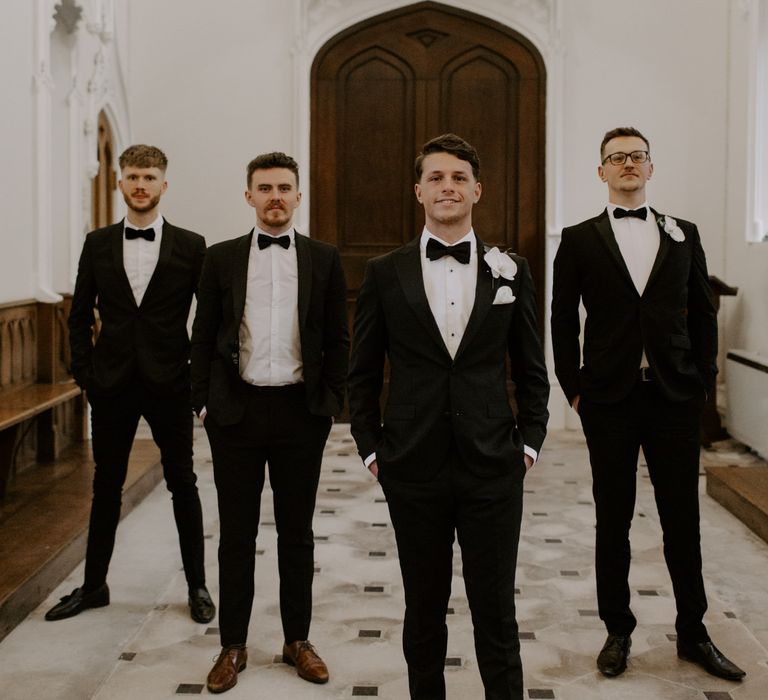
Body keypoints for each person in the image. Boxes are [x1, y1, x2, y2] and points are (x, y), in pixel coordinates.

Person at [348, 133, 549, 700]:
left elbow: (532, 367)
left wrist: (528, 444)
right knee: (424, 612)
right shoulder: (385, 273)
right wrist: (371, 447)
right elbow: (361, 373)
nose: (448, 187)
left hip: (493, 464)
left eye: (459, 177)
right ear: (418, 191)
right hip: (412, 466)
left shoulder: (512, 270)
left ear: (477, 190)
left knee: (496, 613)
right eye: (436, 178)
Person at [551, 127, 745, 681]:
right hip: (608, 399)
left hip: (672, 396)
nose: (628, 164)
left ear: (651, 168)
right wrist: (575, 388)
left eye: (637, 156)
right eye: (617, 158)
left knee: (681, 519)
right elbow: (563, 318)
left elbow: (703, 313)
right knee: (612, 519)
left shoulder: (684, 234)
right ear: (602, 172)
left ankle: (693, 633)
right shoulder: (580, 238)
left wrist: (702, 380)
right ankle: (617, 630)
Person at [191, 152, 348, 694]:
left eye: (284, 187)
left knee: (296, 533)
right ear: (249, 196)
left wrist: (331, 402)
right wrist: (203, 404)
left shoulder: (324, 258)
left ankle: (296, 639)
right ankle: (232, 644)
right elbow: (203, 337)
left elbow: (337, 337)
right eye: (265, 188)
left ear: (298, 196)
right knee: (236, 534)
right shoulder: (220, 259)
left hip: (300, 413)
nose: (275, 196)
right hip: (234, 412)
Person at [47, 145, 214, 625]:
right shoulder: (97, 243)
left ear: (165, 185)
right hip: (112, 384)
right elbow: (78, 316)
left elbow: (208, 319)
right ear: (120, 184)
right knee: (105, 486)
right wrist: (86, 376)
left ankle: (197, 586)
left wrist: (196, 377)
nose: (141, 185)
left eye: (150, 177)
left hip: (171, 383)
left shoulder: (191, 245)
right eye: (133, 177)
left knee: (183, 483)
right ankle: (94, 584)